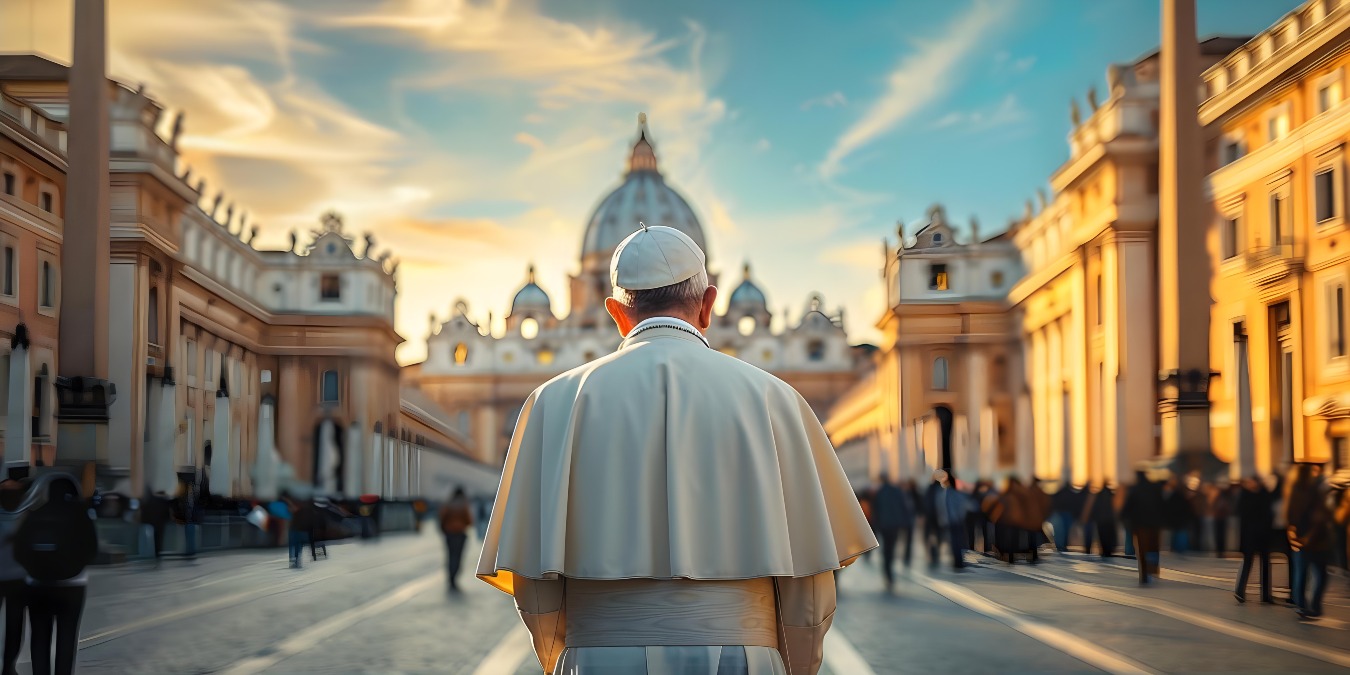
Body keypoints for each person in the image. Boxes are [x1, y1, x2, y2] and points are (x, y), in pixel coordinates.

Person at [475, 225, 876, 675]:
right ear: (708, 304)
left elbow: (535, 588)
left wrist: (570, 653)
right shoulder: (775, 399)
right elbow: (810, 587)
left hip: (598, 657)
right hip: (742, 660)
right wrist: (796, 664)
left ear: (614, 311)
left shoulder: (551, 402)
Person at [14, 475, 98, 675]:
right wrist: (74, 567)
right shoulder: (81, 516)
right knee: (67, 638)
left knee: (39, 637)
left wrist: (34, 570)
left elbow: (18, 550)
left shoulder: (35, 514)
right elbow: (92, 550)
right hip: (73, 586)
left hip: (38, 585)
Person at [1284, 464, 1333, 619]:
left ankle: (1301, 605)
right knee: (1321, 574)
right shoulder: (1314, 491)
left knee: (1301, 573)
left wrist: (1293, 536)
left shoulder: (1291, 492)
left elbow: (1289, 517)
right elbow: (1320, 516)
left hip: (1299, 538)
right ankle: (1315, 606)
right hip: (1315, 539)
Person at [0, 480, 29, 675]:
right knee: (15, 626)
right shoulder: (27, 513)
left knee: (15, 626)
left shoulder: (28, 513)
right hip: (18, 578)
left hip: (19, 579)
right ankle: (8, 667)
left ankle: (9, 666)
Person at [1233, 476, 1273, 604]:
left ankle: (1266, 595)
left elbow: (1269, 513)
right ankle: (1240, 591)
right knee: (1248, 562)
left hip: (1263, 535)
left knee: (1265, 563)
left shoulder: (1264, 494)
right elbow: (1240, 513)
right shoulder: (1245, 496)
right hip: (1250, 535)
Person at [1121, 469, 1164, 583]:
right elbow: (1162, 505)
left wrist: (1123, 519)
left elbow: (1128, 507)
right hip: (1154, 524)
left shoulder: (1135, 489)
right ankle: (1154, 569)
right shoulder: (1155, 488)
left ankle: (1144, 573)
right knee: (1153, 547)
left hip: (1140, 525)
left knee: (1142, 550)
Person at [871, 474, 913, 589]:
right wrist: (904, 522)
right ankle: (889, 571)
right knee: (892, 547)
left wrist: (876, 526)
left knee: (886, 549)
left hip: (884, 525)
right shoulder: (897, 491)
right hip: (895, 524)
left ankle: (887, 572)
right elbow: (905, 507)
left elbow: (876, 510)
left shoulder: (879, 493)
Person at [438, 488, 473, 591]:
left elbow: (442, 519)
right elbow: (469, 521)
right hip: (460, 533)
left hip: (450, 534)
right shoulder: (464, 505)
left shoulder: (448, 504)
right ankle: (455, 577)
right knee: (458, 557)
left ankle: (451, 577)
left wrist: (445, 529)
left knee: (450, 556)